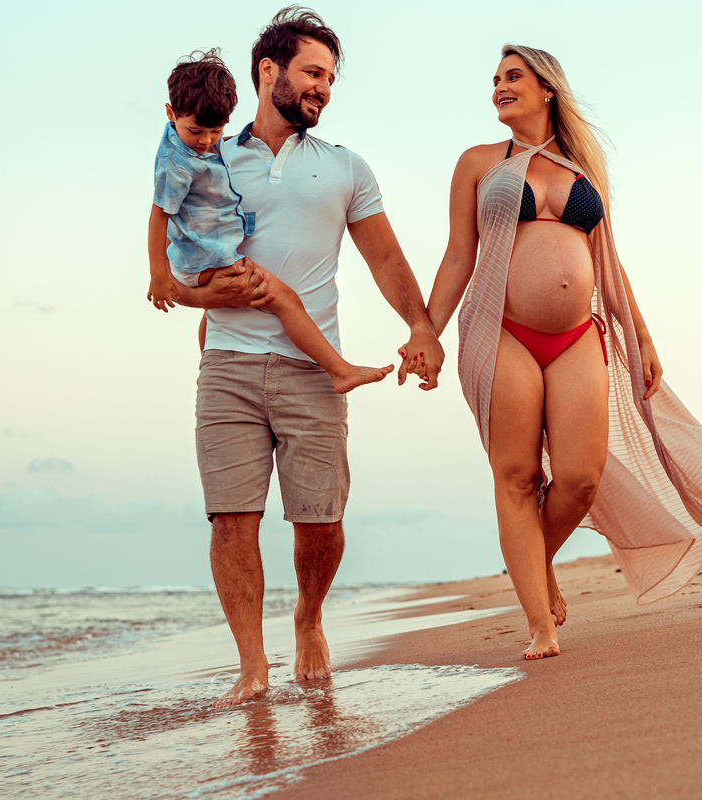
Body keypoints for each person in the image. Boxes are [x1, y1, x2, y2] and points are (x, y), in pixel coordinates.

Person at [424, 45, 702, 660]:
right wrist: (426, 331)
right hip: (502, 331)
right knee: (519, 476)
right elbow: (458, 257)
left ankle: (537, 561)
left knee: (580, 479)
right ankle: (540, 627)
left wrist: (645, 336)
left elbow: (610, 260)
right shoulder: (477, 163)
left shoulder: (584, 167)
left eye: (513, 76)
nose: (499, 87)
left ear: (548, 88)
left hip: (581, 333)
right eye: (495, 79)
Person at [165, 7, 444, 707]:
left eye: (329, 78)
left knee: (320, 521)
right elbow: (174, 268)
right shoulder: (210, 158)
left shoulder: (345, 167)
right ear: (269, 72)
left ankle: (309, 616)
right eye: (312, 73)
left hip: (313, 369)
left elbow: (384, 257)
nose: (323, 88)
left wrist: (421, 324)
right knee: (232, 517)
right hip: (227, 364)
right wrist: (202, 295)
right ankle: (252, 664)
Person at [147, 49, 393, 393]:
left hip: (207, 256)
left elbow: (386, 259)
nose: (206, 141)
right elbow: (159, 216)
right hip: (200, 262)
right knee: (285, 300)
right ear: (171, 113)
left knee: (219, 314)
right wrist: (160, 277)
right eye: (196, 131)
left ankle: (207, 369)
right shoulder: (178, 164)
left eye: (216, 131)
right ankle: (339, 370)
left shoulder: (198, 150)